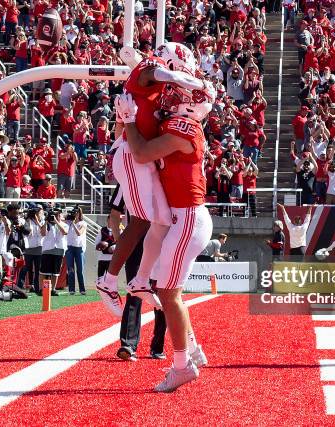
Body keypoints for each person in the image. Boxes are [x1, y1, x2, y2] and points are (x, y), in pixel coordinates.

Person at [115, 78, 214, 392]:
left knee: (169, 294)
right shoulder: (176, 125)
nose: (171, 98)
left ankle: (182, 365)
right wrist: (128, 120)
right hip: (180, 218)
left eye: (180, 95)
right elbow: (132, 143)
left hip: (187, 218)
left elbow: (142, 153)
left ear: (193, 104)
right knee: (170, 293)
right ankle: (193, 351)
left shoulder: (187, 129)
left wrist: (130, 119)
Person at [96, 42, 207, 317]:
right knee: (143, 221)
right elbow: (167, 76)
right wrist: (197, 84)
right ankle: (108, 281)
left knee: (164, 219)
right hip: (131, 156)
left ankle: (141, 280)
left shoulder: (154, 87)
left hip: (136, 152)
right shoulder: (149, 68)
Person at [108, 183, 167, 362]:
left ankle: (154, 345)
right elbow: (114, 214)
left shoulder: (159, 177)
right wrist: (121, 242)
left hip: (155, 242)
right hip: (141, 244)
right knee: (137, 293)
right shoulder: (127, 181)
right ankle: (130, 345)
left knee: (160, 292)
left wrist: (121, 242)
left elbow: (114, 214)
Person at [40, 208, 68, 296]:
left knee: (55, 272)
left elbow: (64, 232)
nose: (56, 217)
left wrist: (56, 222)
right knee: (45, 271)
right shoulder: (47, 224)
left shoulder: (64, 224)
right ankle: (43, 289)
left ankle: (53, 289)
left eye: (58, 215)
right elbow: (43, 233)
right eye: (55, 215)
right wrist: (46, 221)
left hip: (59, 249)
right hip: (48, 249)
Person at [65, 206, 87, 295]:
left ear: (80, 213)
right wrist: (68, 219)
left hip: (79, 248)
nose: (75, 214)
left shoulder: (83, 223)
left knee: (80, 270)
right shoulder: (68, 222)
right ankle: (71, 289)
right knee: (70, 269)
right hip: (69, 247)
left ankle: (82, 289)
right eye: (74, 213)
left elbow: (79, 233)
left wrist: (73, 223)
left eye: (77, 213)